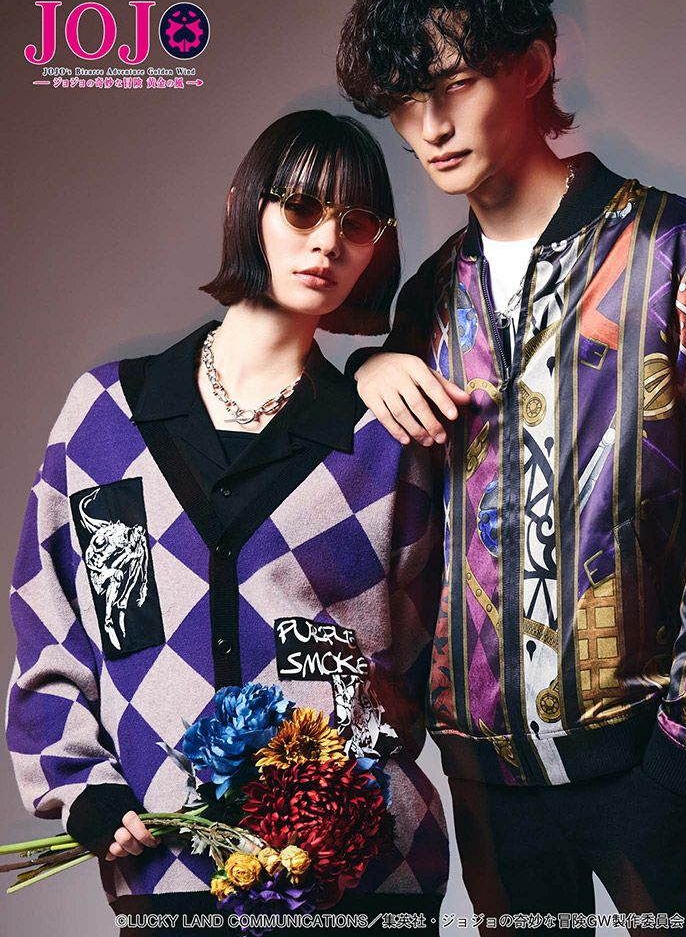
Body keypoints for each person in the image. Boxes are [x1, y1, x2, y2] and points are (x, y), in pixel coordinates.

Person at [336, 0, 686, 934]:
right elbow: (396, 522)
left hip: (651, 771)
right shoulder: (430, 300)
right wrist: (362, 368)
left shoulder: (678, 251)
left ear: (535, 64)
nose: (429, 127)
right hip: (488, 792)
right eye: (405, 102)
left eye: (453, 85)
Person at [5, 110, 448, 935]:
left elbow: (423, 669)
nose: (327, 243)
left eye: (357, 225)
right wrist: (82, 785)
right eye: (302, 209)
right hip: (166, 866)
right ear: (247, 205)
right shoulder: (107, 418)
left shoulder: (382, 439)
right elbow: (52, 623)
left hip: (357, 878)